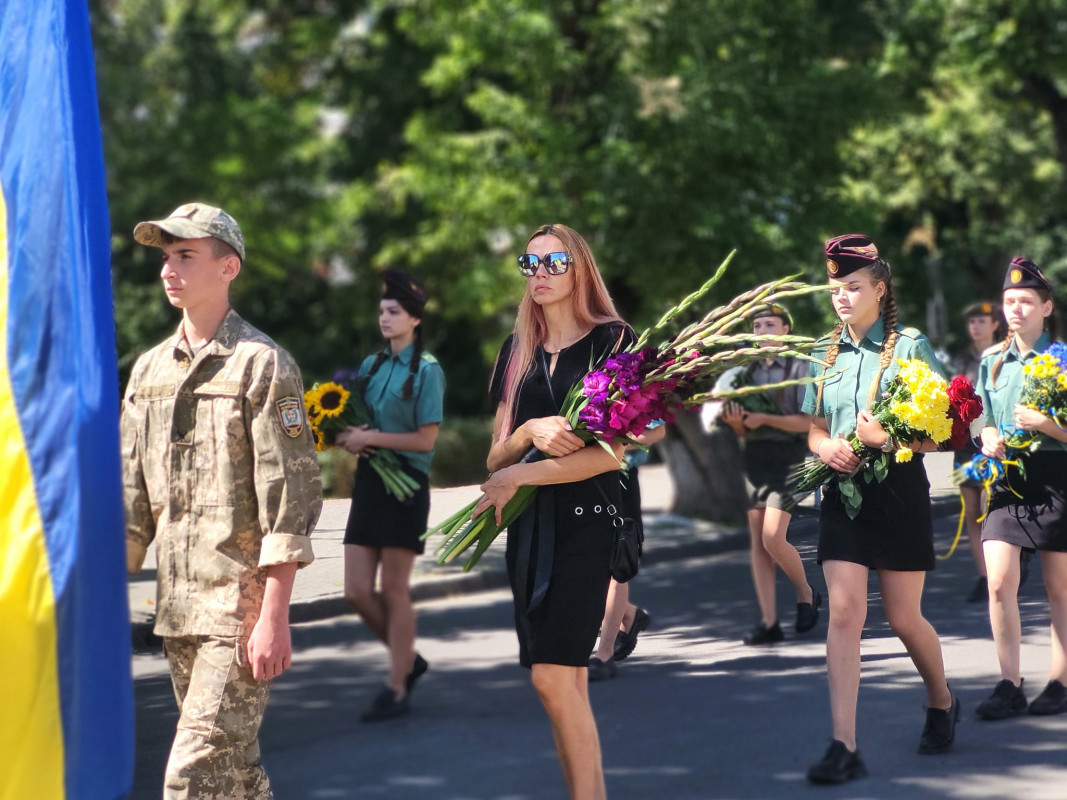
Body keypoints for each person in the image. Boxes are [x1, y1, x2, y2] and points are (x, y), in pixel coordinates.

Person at [121, 203, 322, 799]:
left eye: (185, 255)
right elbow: (131, 498)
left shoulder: (262, 365)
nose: (168, 270)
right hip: (178, 609)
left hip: (238, 613)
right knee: (234, 773)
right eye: (165, 256)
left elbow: (290, 497)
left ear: (228, 267)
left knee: (191, 777)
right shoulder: (150, 370)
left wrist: (275, 617)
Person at [477, 224, 634, 800]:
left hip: (588, 522)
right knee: (565, 685)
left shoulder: (613, 341)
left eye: (554, 262)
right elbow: (493, 456)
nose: (539, 272)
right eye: (530, 262)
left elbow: (615, 453)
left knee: (551, 676)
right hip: (528, 528)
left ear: (580, 269)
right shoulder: (515, 350)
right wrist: (525, 433)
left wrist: (523, 472)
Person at [801, 234, 957, 784]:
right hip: (841, 496)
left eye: (852, 287)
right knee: (844, 613)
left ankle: (941, 701)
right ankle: (843, 743)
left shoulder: (911, 346)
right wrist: (826, 448)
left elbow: (948, 431)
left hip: (898, 492)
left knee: (903, 618)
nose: (841, 297)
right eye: (835, 288)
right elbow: (815, 427)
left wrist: (886, 441)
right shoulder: (824, 353)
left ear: (878, 289)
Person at [336, 269, 445, 722]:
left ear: (414, 318)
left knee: (394, 589)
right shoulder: (371, 365)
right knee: (357, 591)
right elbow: (358, 421)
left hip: (406, 484)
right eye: (381, 310)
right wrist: (347, 435)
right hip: (370, 483)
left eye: (393, 311)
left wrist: (374, 438)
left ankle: (397, 686)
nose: (384, 317)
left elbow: (425, 440)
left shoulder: (427, 369)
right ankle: (410, 659)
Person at [973, 257, 1067, 720]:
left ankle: (1061, 680)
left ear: (1046, 308)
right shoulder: (991, 362)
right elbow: (981, 418)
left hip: (1057, 479)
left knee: (1059, 588)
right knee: (997, 582)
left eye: (1026, 301)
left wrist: (1048, 426)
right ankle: (1009, 683)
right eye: (1009, 301)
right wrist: (986, 435)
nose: (1016, 309)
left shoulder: (1063, 360)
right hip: (1008, 479)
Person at [714, 304, 820, 645]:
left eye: (769, 324)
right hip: (755, 459)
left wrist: (765, 420)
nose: (762, 331)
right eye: (757, 325)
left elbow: (809, 424)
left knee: (773, 537)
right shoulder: (747, 372)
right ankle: (769, 622)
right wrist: (737, 425)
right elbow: (745, 429)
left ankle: (806, 593)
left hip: (788, 458)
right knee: (759, 544)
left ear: (786, 329)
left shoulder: (801, 368)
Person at [588, 422, 666, 681]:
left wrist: (608, 444)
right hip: (570, 481)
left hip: (618, 480)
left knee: (615, 565)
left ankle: (605, 655)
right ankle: (630, 615)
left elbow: (656, 431)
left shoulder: (629, 380)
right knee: (584, 570)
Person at [951, 302, 1005, 602]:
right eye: (972, 321)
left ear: (995, 324)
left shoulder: (1002, 356)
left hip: (994, 443)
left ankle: (1003, 566)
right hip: (964, 445)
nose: (976, 326)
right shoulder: (963, 359)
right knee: (971, 509)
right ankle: (984, 575)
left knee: (989, 504)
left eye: (982, 321)